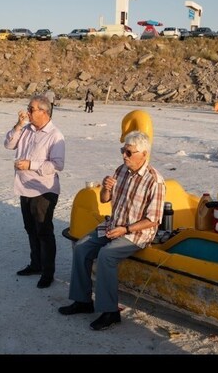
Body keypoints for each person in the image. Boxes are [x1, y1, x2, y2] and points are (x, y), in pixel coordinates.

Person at [58, 131, 165, 330]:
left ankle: (110, 311)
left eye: (129, 152)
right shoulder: (121, 170)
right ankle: (83, 301)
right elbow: (104, 200)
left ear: (143, 154)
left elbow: (153, 219)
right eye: (123, 151)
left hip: (136, 233)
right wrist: (106, 188)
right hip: (113, 225)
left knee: (106, 254)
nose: (124, 155)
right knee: (81, 247)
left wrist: (125, 229)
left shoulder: (154, 181)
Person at [4, 95, 65, 289]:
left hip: (43, 190)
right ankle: (36, 264)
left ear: (44, 112)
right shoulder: (27, 129)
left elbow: (57, 165)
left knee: (44, 232)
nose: (28, 112)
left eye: (31, 109)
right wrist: (18, 125)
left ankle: (48, 272)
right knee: (31, 229)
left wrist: (31, 165)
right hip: (24, 187)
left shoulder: (55, 135)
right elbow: (9, 144)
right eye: (28, 108)